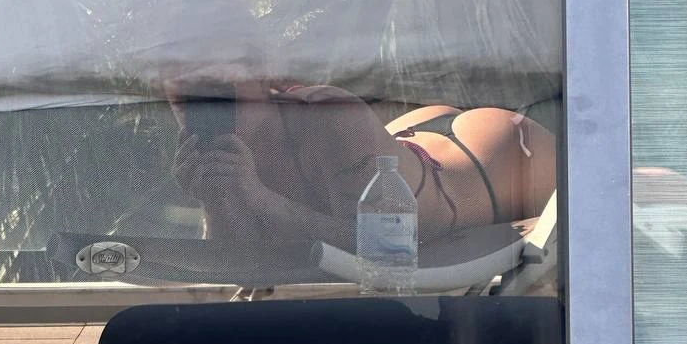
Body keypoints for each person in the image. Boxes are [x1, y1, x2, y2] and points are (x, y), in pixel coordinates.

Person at [168, 75, 557, 255]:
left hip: (494, 157)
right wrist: (215, 200)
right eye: (183, 95)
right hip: (405, 142)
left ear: (256, 72)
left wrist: (260, 200)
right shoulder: (228, 149)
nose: (201, 103)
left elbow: (392, 244)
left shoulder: (324, 114)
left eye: (215, 88)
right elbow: (238, 264)